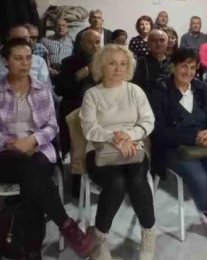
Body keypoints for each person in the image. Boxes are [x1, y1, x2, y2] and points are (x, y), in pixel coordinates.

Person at [0, 38, 94, 259]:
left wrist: (32, 140)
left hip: (38, 150)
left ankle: (28, 248)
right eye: (18, 58)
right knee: (32, 173)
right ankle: (63, 228)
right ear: (5, 61)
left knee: (32, 175)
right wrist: (12, 143)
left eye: (28, 58)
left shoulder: (42, 89)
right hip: (3, 154)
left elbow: (52, 126)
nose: (25, 63)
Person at [150, 49, 207, 248]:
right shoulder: (161, 90)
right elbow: (158, 129)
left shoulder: (200, 88)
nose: (188, 72)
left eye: (192, 67)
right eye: (183, 66)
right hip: (175, 146)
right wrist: (192, 137)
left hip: (205, 143)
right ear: (173, 67)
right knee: (199, 178)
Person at [80, 44, 157, 260]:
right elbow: (89, 128)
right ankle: (100, 240)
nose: (118, 68)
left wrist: (129, 135)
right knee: (116, 183)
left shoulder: (135, 91)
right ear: (101, 66)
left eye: (123, 64)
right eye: (112, 63)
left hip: (133, 147)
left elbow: (148, 121)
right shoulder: (92, 94)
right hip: (100, 151)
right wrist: (115, 138)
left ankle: (149, 233)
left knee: (138, 181)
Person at [55, 30, 102, 155]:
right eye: (90, 42)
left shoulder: (107, 62)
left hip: (101, 109)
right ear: (82, 43)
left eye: (97, 42)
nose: (94, 46)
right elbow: (59, 90)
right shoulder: (69, 62)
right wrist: (77, 76)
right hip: (76, 106)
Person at [0, 24, 50, 88]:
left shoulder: (40, 61)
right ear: (8, 39)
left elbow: (46, 88)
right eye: (16, 38)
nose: (21, 42)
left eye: (25, 38)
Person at [132, 29, 172, 98]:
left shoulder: (174, 62)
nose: (158, 43)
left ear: (167, 43)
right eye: (154, 40)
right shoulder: (139, 63)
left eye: (162, 40)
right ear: (147, 43)